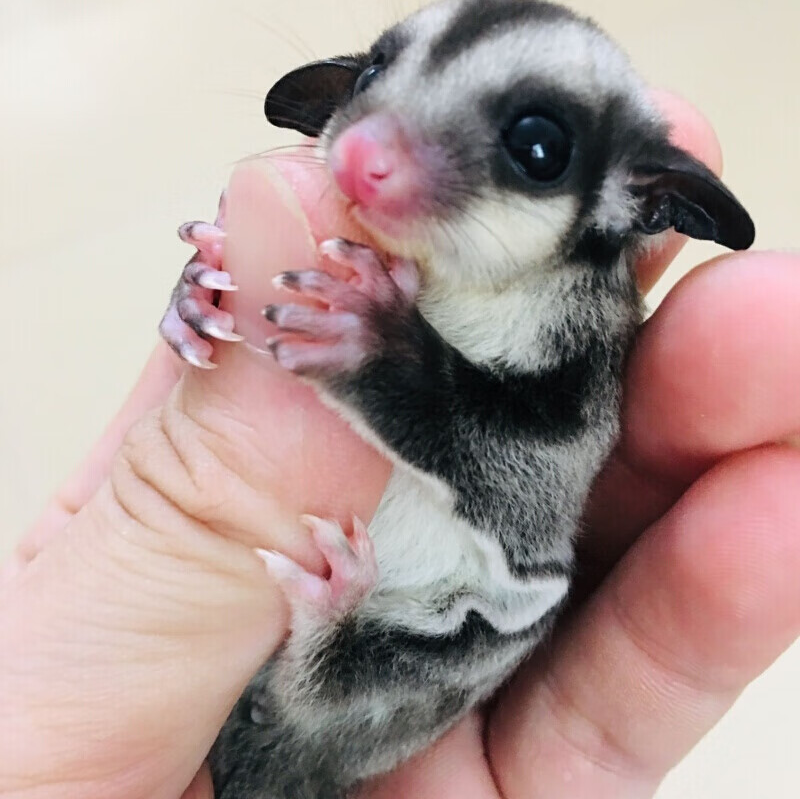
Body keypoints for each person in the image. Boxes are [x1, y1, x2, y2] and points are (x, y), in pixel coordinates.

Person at [1, 91, 798, 799]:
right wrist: (210, 294)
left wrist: (391, 357)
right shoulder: (387, 244)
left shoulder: (573, 323)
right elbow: (252, 343)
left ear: (631, 201)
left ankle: (328, 664)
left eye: (531, 145)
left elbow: (513, 477)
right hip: (208, 666)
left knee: (507, 603)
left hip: (390, 641)